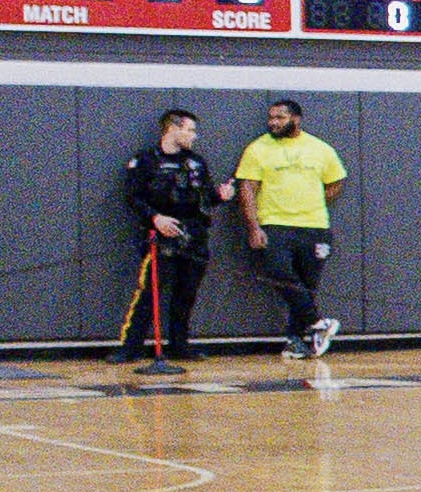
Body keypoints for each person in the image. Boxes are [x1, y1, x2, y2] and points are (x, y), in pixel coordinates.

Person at [230, 97, 346, 361]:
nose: (273, 122)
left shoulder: (320, 149)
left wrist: (311, 201)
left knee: (307, 285)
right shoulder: (257, 149)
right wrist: (253, 226)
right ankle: (319, 323)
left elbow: (335, 182)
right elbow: (247, 189)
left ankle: (295, 341)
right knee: (280, 275)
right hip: (275, 226)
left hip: (315, 227)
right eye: (271, 118)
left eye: (279, 118)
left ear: (295, 119)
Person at [111, 106, 222, 370]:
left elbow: (206, 197)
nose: (194, 136)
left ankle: (180, 345)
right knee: (151, 292)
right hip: (159, 236)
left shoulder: (196, 163)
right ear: (173, 129)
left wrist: (220, 196)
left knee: (186, 293)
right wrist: (156, 219)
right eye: (190, 130)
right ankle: (131, 347)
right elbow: (132, 197)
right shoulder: (145, 161)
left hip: (193, 236)